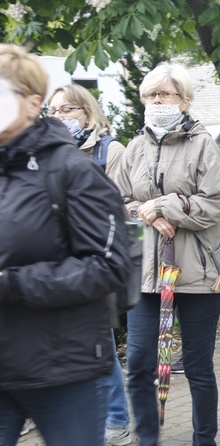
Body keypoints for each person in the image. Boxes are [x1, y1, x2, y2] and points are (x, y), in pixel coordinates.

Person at [0, 43, 131, 445]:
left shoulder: (74, 171)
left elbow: (109, 265)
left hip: (63, 369)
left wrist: (12, 283)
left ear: (31, 103)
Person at [115, 62, 220, 446]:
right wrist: (146, 214)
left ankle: (204, 440)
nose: (157, 101)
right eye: (151, 95)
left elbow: (214, 203)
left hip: (197, 270)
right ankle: (148, 439)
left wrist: (165, 206)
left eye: (165, 94)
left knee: (197, 367)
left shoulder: (203, 143)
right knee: (139, 364)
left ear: (184, 100)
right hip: (147, 273)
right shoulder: (135, 147)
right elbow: (121, 202)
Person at [47, 83, 131, 446]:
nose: (61, 117)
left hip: (93, 261)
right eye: (54, 111)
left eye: (68, 110)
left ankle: (117, 418)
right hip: (54, 263)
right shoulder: (47, 151)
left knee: (100, 343)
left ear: (87, 111)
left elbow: (119, 204)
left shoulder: (109, 149)